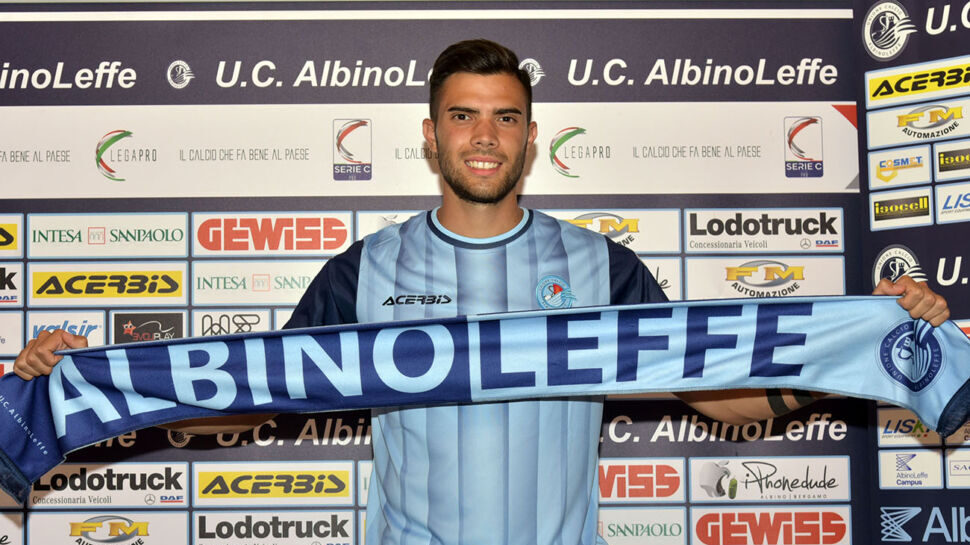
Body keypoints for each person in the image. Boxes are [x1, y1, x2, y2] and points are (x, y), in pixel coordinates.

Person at [15, 39, 951, 545]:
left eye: (505, 118)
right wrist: (77, 379)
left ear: (532, 138)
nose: (485, 137)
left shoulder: (605, 266)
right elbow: (252, 391)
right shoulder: (363, 270)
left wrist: (865, 350)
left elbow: (714, 396)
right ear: (431, 135)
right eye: (463, 116)